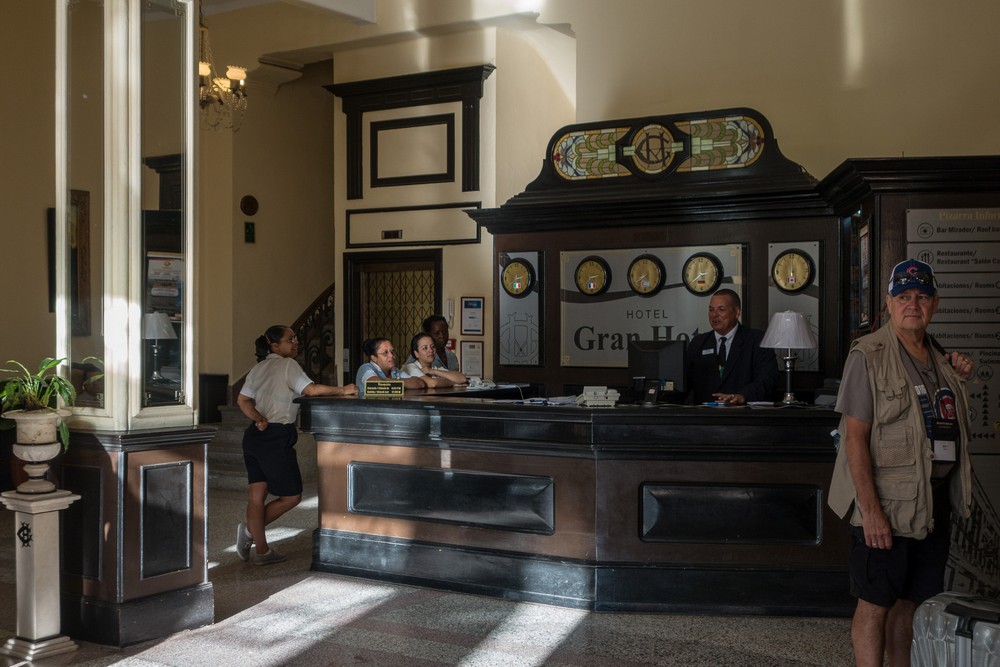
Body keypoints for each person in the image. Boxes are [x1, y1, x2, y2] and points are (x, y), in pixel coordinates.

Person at [828, 259, 974, 666]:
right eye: (904, 296)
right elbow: (853, 441)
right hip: (887, 506)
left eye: (922, 296)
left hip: (933, 502)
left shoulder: (942, 359)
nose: (914, 304)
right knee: (875, 603)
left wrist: (959, 371)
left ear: (935, 304)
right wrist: (870, 511)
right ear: (889, 303)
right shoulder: (868, 356)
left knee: (910, 603)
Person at [236, 325, 359, 565]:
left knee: (257, 494)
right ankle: (253, 535)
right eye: (289, 339)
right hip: (277, 436)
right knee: (291, 496)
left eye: (295, 338)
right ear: (274, 345)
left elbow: (242, 400)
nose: (295, 343)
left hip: (255, 436)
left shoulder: (257, 368)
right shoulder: (288, 365)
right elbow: (310, 390)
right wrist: (343, 390)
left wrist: (258, 418)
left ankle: (260, 548)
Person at [685, 288, 779, 405]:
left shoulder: (757, 340)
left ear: (737, 312)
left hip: (742, 416)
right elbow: (684, 383)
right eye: (711, 310)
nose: (714, 315)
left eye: (721, 309)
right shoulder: (698, 343)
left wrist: (742, 396)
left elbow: (768, 381)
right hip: (705, 418)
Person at [355, 337, 428, 397]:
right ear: (374, 358)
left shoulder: (394, 371)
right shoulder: (366, 368)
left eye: (392, 351)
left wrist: (393, 380)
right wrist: (404, 384)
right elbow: (376, 385)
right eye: (385, 353)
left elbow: (420, 383)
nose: (391, 355)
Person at [401, 332, 468, 387]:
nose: (430, 350)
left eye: (432, 346)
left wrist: (434, 371)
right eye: (425, 348)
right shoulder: (410, 367)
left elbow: (462, 378)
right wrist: (453, 383)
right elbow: (432, 383)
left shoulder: (434, 368)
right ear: (416, 353)